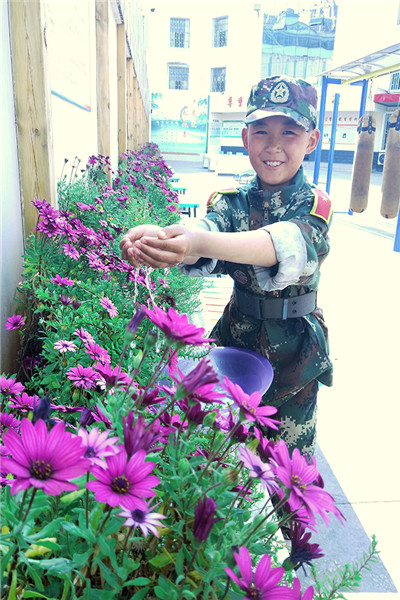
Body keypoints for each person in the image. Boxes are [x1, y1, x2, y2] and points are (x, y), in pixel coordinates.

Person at [120, 75, 333, 457]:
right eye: (262, 131)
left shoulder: (314, 205)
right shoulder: (232, 202)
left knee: (287, 469)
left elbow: (280, 245)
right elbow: (208, 232)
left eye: (289, 132)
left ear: (311, 141)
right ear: (245, 137)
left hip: (295, 359)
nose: (274, 145)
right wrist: (169, 240)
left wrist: (197, 241)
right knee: (219, 454)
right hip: (236, 343)